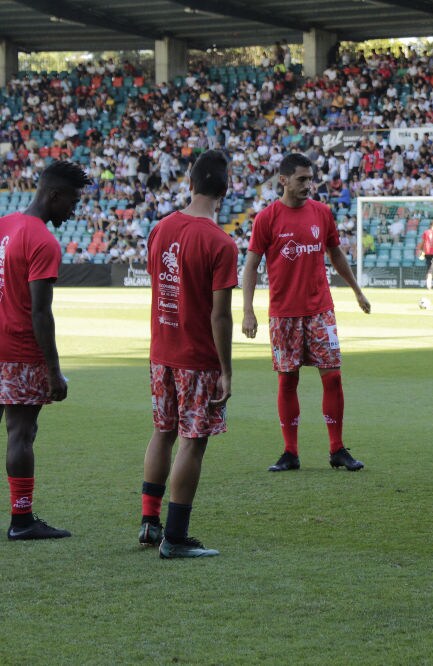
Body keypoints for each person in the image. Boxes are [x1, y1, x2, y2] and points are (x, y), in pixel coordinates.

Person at [241, 153, 371, 474]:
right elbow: (251, 266)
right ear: (283, 180)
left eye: (310, 178)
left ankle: (337, 449)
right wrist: (247, 311)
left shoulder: (322, 213)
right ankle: (290, 452)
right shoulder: (266, 219)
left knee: (334, 376)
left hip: (320, 310)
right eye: (301, 179)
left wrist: (356, 290)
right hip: (284, 313)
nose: (308, 185)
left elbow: (336, 254)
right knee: (288, 380)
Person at [139, 150, 237, 558]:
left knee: (163, 431)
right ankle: (175, 538)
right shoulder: (220, 242)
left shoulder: (160, 228)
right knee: (192, 442)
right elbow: (220, 315)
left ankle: (149, 522)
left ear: (190, 183)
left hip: (162, 350)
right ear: (224, 190)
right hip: (196, 357)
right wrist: (226, 371)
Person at [0, 161, 89, 540]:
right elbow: (40, 311)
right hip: (20, 351)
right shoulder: (42, 241)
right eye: (72, 200)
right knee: (22, 432)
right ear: (54, 195)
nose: (74, 210)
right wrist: (53, 371)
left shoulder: (5, 225)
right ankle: (22, 521)